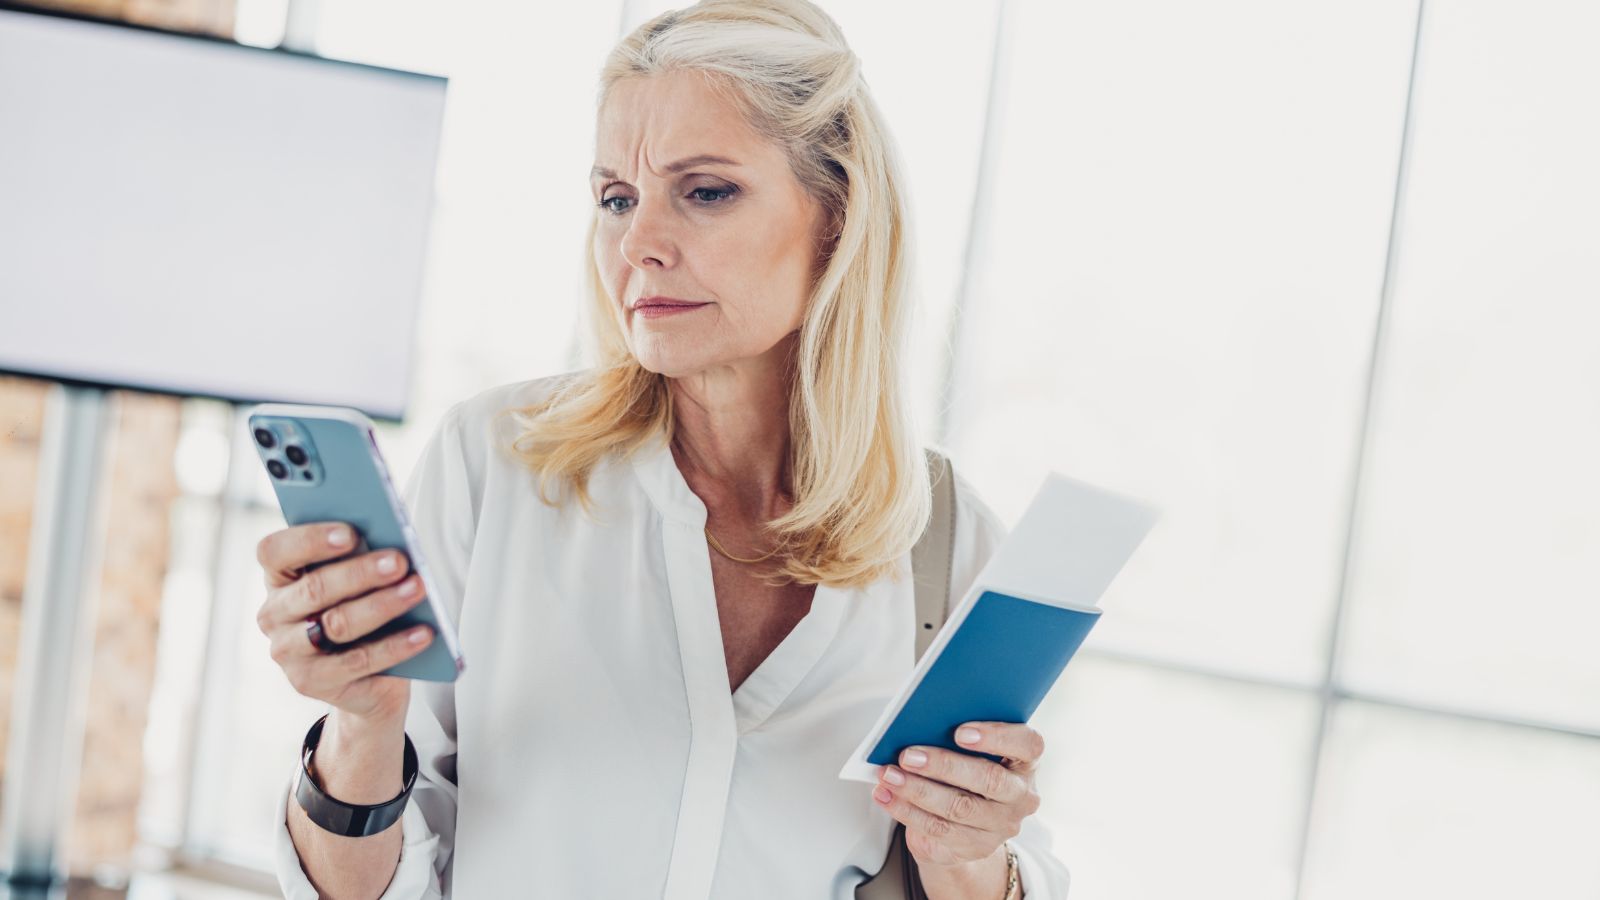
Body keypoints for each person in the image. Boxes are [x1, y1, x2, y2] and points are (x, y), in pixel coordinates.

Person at [255, 1, 1073, 897]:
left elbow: (983, 868)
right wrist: (364, 721)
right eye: (616, 198)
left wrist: (969, 858)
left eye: (705, 191)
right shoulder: (495, 466)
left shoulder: (949, 545)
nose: (638, 243)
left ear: (836, 215)